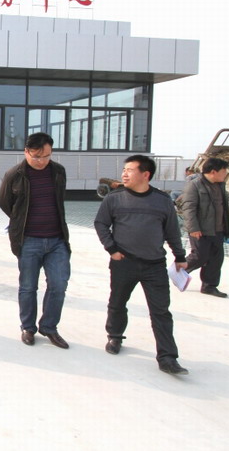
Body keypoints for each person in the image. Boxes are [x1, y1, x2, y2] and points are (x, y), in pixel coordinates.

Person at [94, 155, 190, 375]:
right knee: (117, 302)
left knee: (161, 311)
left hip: (154, 265)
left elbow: (172, 231)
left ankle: (167, 358)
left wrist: (180, 256)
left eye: (130, 170)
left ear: (145, 174)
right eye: (124, 170)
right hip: (124, 262)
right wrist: (112, 249)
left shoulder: (162, 200)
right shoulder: (114, 198)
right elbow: (101, 223)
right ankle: (115, 336)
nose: (124, 174)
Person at [0, 132, 71, 349]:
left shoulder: (58, 172)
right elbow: (5, 203)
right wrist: (21, 221)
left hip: (57, 240)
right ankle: (28, 327)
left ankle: (49, 327)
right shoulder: (14, 175)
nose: (41, 161)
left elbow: (59, 200)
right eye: (36, 156)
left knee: (59, 284)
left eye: (46, 156)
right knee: (28, 287)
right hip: (28, 240)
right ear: (26, 152)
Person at [182, 157, 229, 298]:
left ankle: (209, 286)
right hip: (200, 229)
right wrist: (193, 228)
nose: (225, 174)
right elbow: (189, 208)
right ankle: (178, 270)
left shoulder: (220, 185)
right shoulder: (195, 185)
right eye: (223, 171)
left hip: (218, 229)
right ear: (214, 172)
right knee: (199, 256)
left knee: (216, 259)